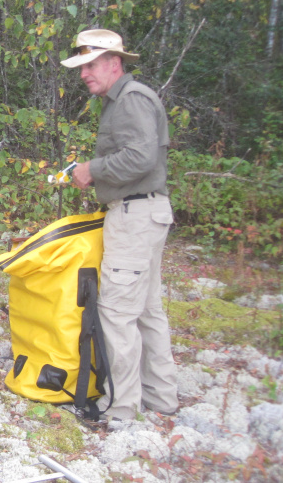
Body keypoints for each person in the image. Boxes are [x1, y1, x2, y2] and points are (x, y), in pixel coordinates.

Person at [61, 29, 179, 421]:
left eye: (90, 65)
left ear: (115, 63)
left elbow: (140, 158)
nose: (84, 75)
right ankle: (161, 400)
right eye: (81, 67)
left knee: (116, 312)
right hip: (147, 212)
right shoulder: (125, 101)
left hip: (135, 217)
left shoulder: (130, 101)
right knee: (146, 310)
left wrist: (92, 170)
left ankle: (121, 408)